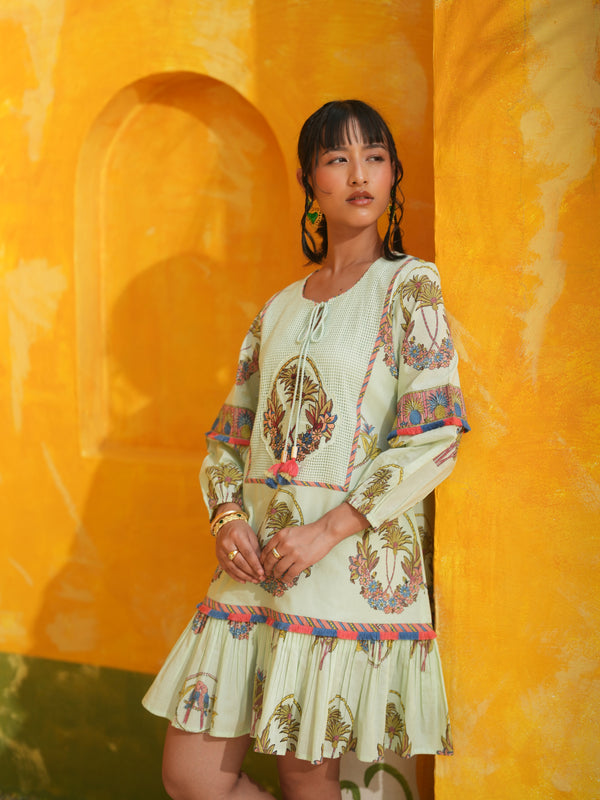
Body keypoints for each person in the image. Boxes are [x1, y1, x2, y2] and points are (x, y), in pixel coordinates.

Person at [143, 99, 469, 800]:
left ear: (394, 174)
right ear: (308, 181)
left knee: (305, 778)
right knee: (190, 777)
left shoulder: (411, 286)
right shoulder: (279, 307)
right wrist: (227, 516)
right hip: (254, 568)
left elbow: (435, 434)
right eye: (337, 159)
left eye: (374, 157)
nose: (359, 174)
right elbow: (230, 437)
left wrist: (326, 531)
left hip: (343, 568)